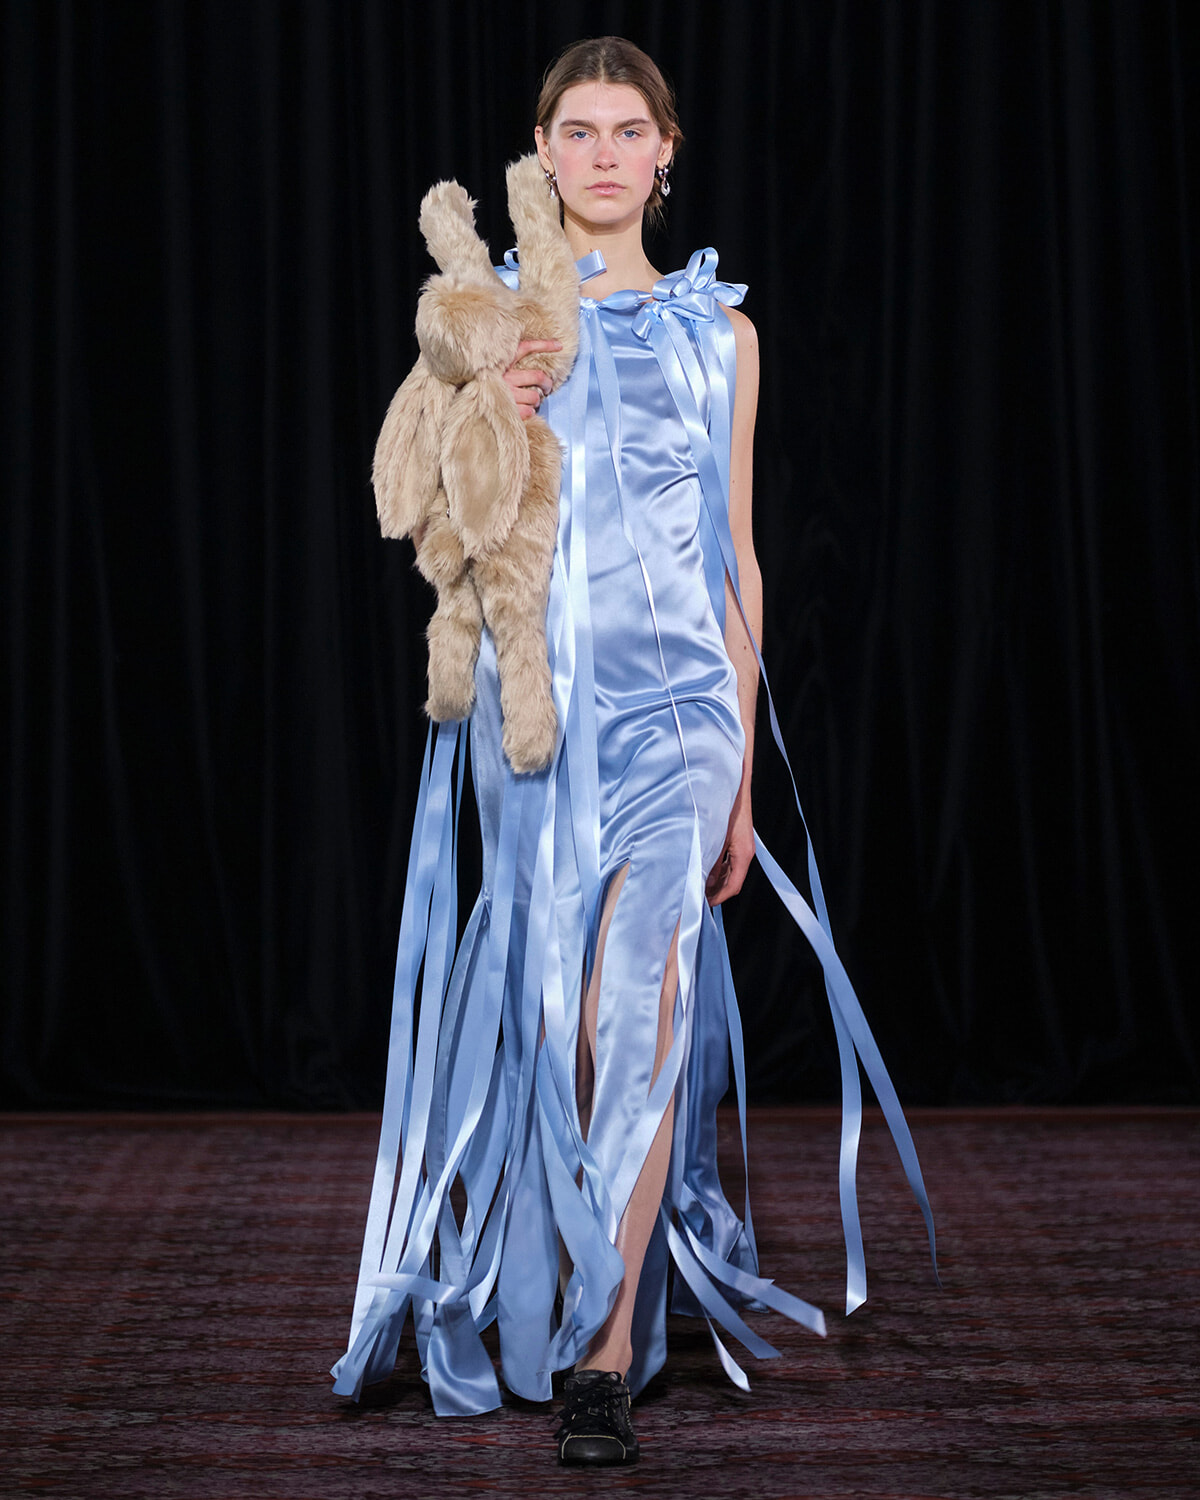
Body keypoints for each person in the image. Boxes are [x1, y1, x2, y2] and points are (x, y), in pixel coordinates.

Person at [332, 36, 935, 1468]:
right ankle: (541, 1291)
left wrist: (738, 767)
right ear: (542, 153)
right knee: (559, 1016)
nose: (603, 154)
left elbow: (737, 553)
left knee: (645, 1005)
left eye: (628, 130)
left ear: (669, 153)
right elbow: (406, 493)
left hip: (681, 713)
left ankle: (603, 1356)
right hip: (544, 709)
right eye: (577, 130)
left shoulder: (724, 333)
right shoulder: (500, 318)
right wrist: (497, 413)